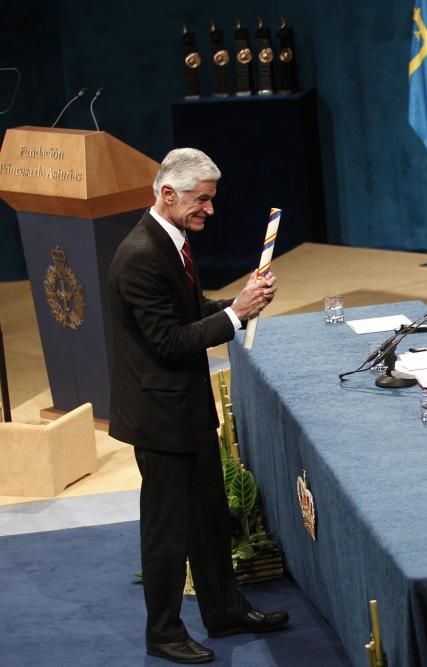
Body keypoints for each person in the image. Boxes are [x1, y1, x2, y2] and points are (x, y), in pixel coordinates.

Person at [107, 148, 287, 664]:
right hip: (159, 418)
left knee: (209, 517)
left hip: (186, 409)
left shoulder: (173, 242)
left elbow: (188, 313)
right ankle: (163, 633)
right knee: (167, 531)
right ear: (168, 194)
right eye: (201, 199)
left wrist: (239, 302)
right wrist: (235, 315)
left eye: (211, 198)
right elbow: (168, 340)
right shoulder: (140, 255)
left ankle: (224, 609)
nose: (210, 209)